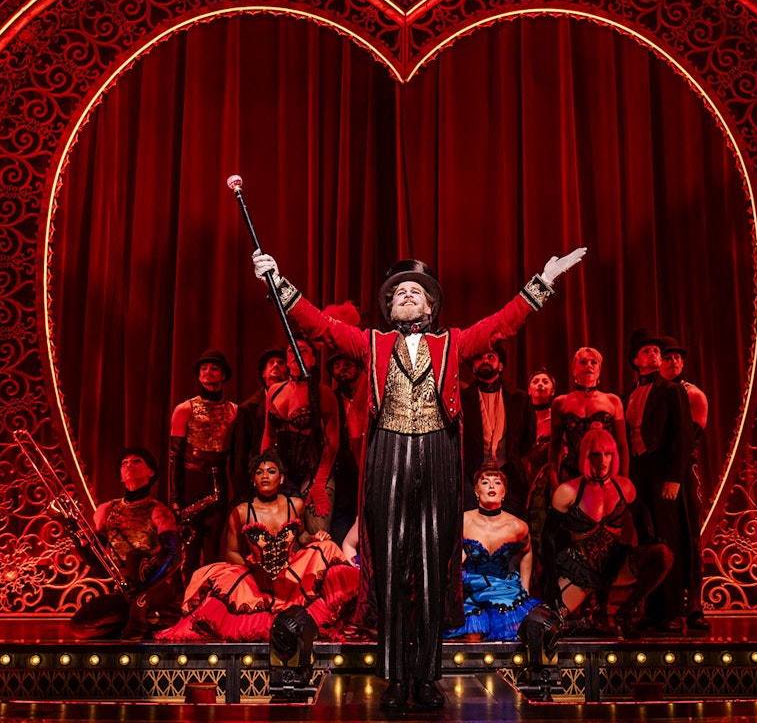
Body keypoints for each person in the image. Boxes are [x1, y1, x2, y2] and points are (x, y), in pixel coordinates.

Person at [250, 246, 585, 710]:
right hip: (388, 453)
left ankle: (427, 677)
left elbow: (502, 322)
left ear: (430, 307)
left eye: (416, 292)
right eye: (399, 293)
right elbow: (318, 326)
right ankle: (394, 678)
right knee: (389, 566)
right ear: (389, 309)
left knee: (431, 565)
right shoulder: (370, 343)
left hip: (437, 457)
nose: (407, 296)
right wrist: (277, 283)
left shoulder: (452, 343)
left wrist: (542, 281)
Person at [156, 451, 359, 641]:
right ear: (253, 480)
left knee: (327, 547)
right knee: (217, 589)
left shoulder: (295, 505)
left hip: (290, 575)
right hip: (255, 576)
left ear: (280, 479)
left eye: (271, 472)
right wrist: (254, 569)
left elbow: (302, 536)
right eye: (259, 472)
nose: (264, 476)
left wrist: (315, 537)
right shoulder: (242, 511)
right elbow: (232, 553)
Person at [542, 428, 672, 636]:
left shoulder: (624, 487)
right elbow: (547, 538)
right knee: (545, 625)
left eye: (608, 454)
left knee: (663, 554)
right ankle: (587, 616)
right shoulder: (568, 491)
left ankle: (625, 613)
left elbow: (641, 511)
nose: (602, 460)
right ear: (586, 456)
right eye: (596, 454)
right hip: (581, 570)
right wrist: (552, 584)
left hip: (615, 567)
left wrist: (648, 538)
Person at [69, 448, 182, 640]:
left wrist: (146, 587)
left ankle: (140, 618)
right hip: (126, 591)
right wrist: (74, 533)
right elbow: (95, 560)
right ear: (121, 476)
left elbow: (174, 556)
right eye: (124, 463)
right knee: (80, 627)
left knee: (135, 557)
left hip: (156, 589)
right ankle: (141, 626)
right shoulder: (106, 510)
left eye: (136, 461)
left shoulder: (158, 510)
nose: (129, 464)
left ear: (150, 472)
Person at [624, 329, 694, 633]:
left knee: (669, 540)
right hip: (640, 473)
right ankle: (652, 610)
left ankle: (674, 612)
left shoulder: (671, 390)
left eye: (657, 351)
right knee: (648, 541)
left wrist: (674, 478)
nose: (654, 355)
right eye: (647, 352)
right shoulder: (631, 393)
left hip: (663, 472)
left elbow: (684, 437)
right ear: (636, 360)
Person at [445, 469, 538, 641]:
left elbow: (527, 552)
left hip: (502, 590)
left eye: (497, 482)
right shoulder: (463, 521)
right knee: (473, 633)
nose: (491, 486)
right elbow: (446, 553)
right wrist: (458, 557)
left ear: (504, 492)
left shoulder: (517, 526)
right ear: (476, 491)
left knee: (514, 633)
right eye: (485, 482)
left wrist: (525, 588)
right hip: (470, 589)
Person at [169, 350, 238, 579]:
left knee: (213, 544)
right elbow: (175, 456)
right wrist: (175, 497)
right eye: (204, 369)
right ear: (198, 376)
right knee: (190, 542)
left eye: (214, 368)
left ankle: (210, 595)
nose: (208, 372)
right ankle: (186, 595)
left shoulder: (234, 410)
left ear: (224, 376)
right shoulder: (185, 409)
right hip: (192, 483)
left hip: (219, 483)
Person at [261, 336, 340, 535]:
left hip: (315, 475)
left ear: (313, 360)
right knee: (284, 541)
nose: (296, 353)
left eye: (303, 350)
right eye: (291, 350)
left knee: (317, 536)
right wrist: (265, 472)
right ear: (287, 360)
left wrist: (320, 482)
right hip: (284, 477)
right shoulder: (274, 392)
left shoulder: (324, 394)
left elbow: (332, 442)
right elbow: (268, 436)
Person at [657, 335, 710, 631]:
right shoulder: (654, 392)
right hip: (657, 473)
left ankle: (694, 605)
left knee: (690, 537)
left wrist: (674, 475)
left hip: (683, 472)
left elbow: (689, 438)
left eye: (678, 357)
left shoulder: (694, 394)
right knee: (663, 540)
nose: (674, 362)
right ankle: (667, 607)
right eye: (668, 357)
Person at [461, 346, 537, 516]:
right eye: (480, 358)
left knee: (513, 530)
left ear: (500, 365)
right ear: (473, 367)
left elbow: (529, 436)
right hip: (471, 477)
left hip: (511, 477)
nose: (485, 361)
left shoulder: (520, 398)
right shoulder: (462, 399)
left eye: (490, 357)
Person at [550, 346, 629, 484]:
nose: (589, 366)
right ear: (574, 370)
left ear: (599, 370)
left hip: (604, 474)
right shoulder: (560, 403)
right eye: (583, 362)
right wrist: (553, 481)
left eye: (594, 362)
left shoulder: (613, 401)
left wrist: (623, 480)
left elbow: (622, 445)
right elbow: (554, 446)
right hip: (570, 473)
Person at [230, 348, 287, 502]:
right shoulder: (248, 408)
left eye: (281, 363)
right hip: (259, 483)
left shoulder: (298, 402)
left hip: (290, 481)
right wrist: (240, 493)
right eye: (271, 363)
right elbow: (240, 455)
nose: (276, 365)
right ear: (263, 373)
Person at [327, 349, 367, 544]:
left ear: (359, 368)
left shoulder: (371, 397)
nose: (342, 369)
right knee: (341, 515)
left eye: (347, 365)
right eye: (337, 366)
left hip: (368, 468)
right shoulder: (330, 399)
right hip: (342, 470)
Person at [524, 367, 556, 597]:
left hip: (546, 486)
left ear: (553, 389)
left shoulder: (557, 417)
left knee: (544, 536)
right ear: (529, 389)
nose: (540, 385)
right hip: (519, 482)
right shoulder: (519, 415)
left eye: (546, 381)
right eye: (536, 381)